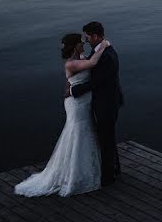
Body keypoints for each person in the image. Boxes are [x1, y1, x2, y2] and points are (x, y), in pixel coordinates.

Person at [15, 34, 111, 197]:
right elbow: (93, 62)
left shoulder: (79, 58)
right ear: (75, 46)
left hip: (83, 100)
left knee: (85, 130)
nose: (84, 44)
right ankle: (74, 174)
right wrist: (103, 45)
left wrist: (67, 90)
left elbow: (69, 80)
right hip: (76, 104)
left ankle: (82, 168)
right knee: (77, 131)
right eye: (81, 43)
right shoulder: (71, 63)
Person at [69, 21, 124, 186]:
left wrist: (73, 91)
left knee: (105, 139)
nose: (86, 41)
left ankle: (108, 177)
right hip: (108, 100)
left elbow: (96, 82)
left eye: (88, 38)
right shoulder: (103, 50)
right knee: (108, 136)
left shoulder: (105, 56)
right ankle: (114, 168)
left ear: (96, 36)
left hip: (107, 103)